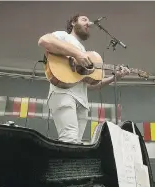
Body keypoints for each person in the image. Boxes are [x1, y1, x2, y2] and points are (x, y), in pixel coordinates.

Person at [38, 14, 130, 144]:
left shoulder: (85, 52)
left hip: (82, 102)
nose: (88, 23)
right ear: (73, 23)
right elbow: (43, 40)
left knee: (76, 142)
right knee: (69, 138)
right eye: (84, 20)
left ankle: (70, 165)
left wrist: (115, 77)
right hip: (63, 93)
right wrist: (77, 54)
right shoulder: (64, 36)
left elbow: (92, 85)